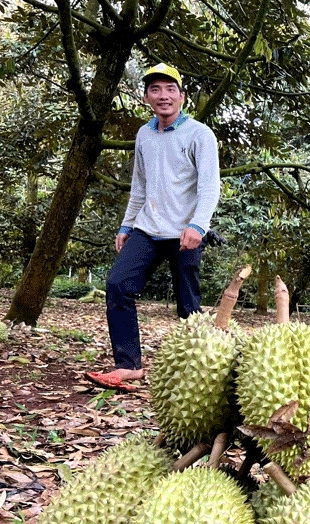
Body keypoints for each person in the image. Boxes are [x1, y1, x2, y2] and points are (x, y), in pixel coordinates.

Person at [85, 63, 221, 392]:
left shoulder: (200, 135)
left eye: (170, 89)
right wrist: (127, 225)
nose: (163, 96)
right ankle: (128, 366)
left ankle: (200, 374)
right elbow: (140, 187)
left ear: (182, 96)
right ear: (147, 97)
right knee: (118, 284)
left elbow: (209, 187)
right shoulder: (145, 135)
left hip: (185, 233)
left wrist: (198, 226)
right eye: (155, 90)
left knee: (189, 305)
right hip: (147, 229)